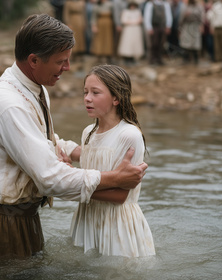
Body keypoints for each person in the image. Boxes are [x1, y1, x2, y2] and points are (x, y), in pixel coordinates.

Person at [0, 14, 148, 266]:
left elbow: (43, 140)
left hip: (23, 216)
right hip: (0, 221)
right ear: (34, 60)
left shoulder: (35, 88)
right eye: (61, 61)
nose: (68, 68)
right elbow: (49, 178)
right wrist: (114, 178)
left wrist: (86, 151)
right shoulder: (9, 104)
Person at [70, 64, 155, 258]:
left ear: (116, 98)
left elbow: (119, 196)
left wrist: (69, 188)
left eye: (95, 93)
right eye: (85, 92)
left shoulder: (129, 135)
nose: (87, 98)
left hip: (117, 223)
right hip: (87, 217)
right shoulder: (87, 133)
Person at [144, 0, 173, 65]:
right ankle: (152, 60)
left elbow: (168, 15)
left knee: (161, 43)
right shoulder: (150, 4)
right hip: (154, 26)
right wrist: (149, 27)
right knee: (154, 44)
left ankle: (159, 59)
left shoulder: (165, 4)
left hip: (162, 26)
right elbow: (147, 16)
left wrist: (168, 26)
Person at [118, 1, 145, 65]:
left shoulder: (138, 11)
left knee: (135, 43)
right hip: (128, 30)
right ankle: (127, 58)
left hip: (136, 30)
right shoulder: (126, 11)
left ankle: (133, 58)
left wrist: (132, 21)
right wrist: (134, 22)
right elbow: (124, 20)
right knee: (127, 43)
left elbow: (140, 20)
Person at [178, 0, 204, 65]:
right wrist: (185, 16)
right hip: (186, 26)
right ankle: (185, 59)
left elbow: (202, 17)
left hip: (195, 26)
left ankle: (196, 59)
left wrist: (201, 25)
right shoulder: (184, 6)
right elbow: (180, 19)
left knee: (195, 44)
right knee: (185, 43)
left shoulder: (199, 7)